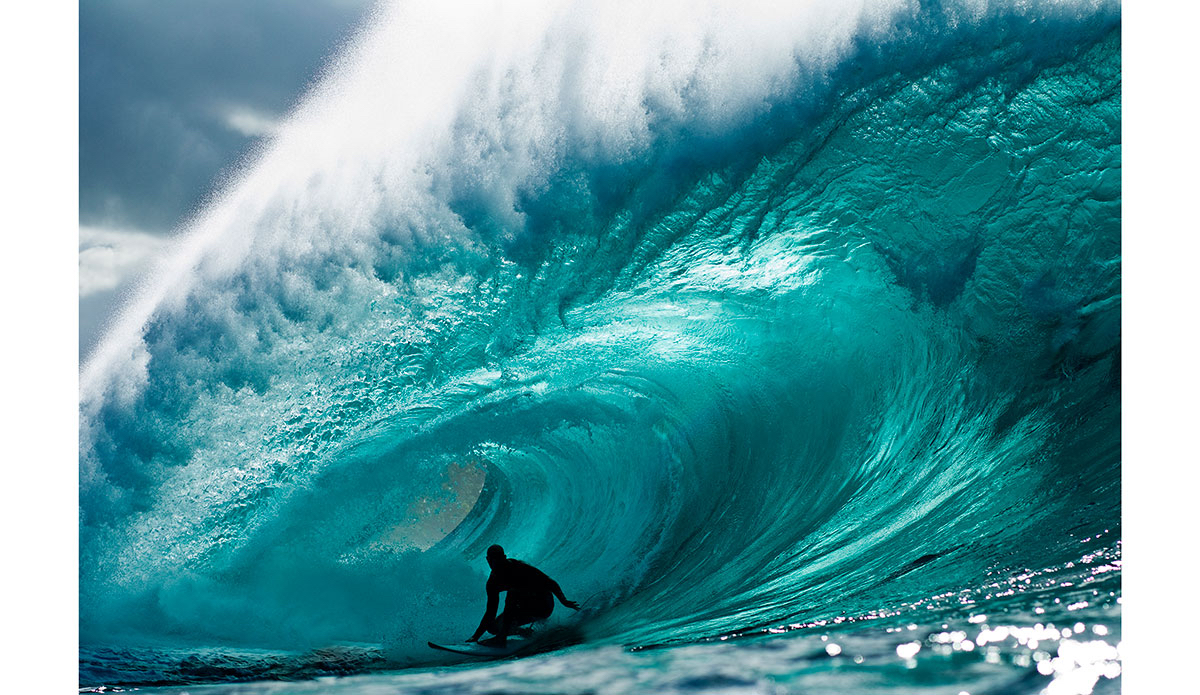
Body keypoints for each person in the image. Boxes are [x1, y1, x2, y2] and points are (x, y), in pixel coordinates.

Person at [467, 544, 579, 646]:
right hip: (523, 609)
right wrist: (475, 637)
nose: (496, 563)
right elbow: (490, 611)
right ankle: (523, 632)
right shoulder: (493, 583)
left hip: (544, 605)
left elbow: (550, 582)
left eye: (499, 559)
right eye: (493, 560)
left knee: (513, 592)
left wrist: (564, 601)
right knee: (492, 627)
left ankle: (502, 637)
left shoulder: (519, 568)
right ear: (488, 560)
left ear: (504, 557)